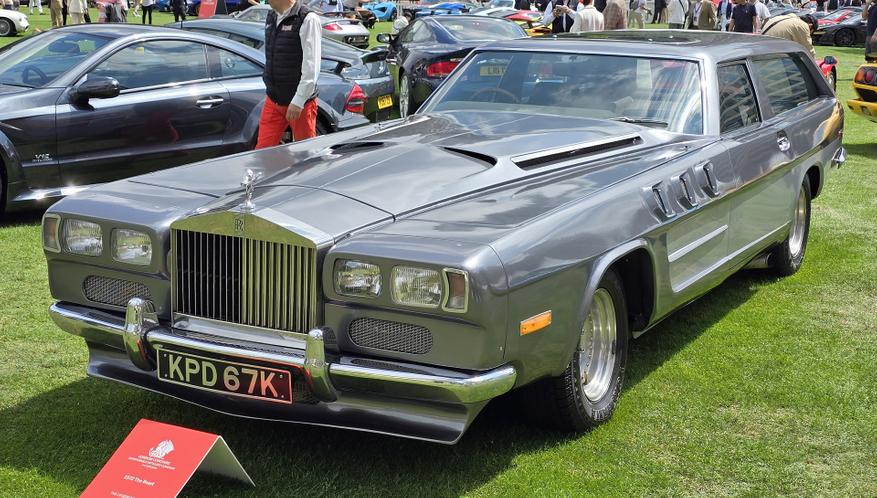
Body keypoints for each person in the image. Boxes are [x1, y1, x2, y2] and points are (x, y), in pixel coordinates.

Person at [255, 0, 321, 148]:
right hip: (273, 99)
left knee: (306, 152)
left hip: (300, 103)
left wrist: (299, 100)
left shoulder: (308, 18)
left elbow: (312, 65)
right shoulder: (272, 15)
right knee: (262, 151)